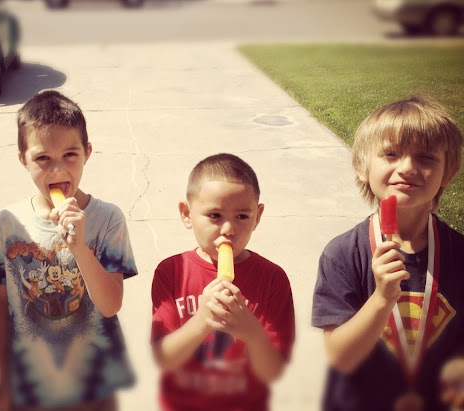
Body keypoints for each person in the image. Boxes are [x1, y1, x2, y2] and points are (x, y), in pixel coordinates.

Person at [0, 90, 138, 411]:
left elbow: (110, 305)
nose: (57, 170)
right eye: (42, 158)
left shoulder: (108, 219)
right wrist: (4, 376)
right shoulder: (8, 223)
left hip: (94, 384)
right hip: (30, 383)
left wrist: (78, 246)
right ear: (23, 159)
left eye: (70, 155)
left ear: (87, 153)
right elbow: (0, 303)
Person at [312, 96, 464, 411]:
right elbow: (341, 357)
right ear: (362, 166)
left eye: (426, 157)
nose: (407, 168)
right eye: (391, 154)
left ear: (449, 172)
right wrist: (382, 298)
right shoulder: (342, 255)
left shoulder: (459, 254)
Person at [150, 153, 295, 411]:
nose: (229, 229)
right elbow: (163, 359)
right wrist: (202, 321)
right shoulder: (171, 272)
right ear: (187, 214)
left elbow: (273, 371)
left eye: (242, 216)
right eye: (215, 215)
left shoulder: (273, 279)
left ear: (258, 216)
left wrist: (251, 332)